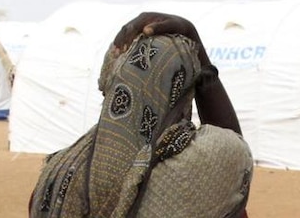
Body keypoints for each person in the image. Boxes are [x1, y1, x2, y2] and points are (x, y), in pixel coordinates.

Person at [29, 12, 252, 218]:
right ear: (179, 90)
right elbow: (234, 152)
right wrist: (195, 42)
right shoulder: (189, 176)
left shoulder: (56, 175)